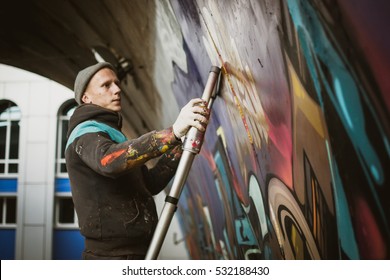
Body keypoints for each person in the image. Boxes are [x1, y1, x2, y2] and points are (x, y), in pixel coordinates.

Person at [65, 62, 209, 260]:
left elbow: (149, 184)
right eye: (106, 85)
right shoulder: (85, 134)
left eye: (116, 83)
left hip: (136, 253)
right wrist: (173, 133)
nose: (117, 89)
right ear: (86, 98)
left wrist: (181, 145)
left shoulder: (112, 135)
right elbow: (110, 162)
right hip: (109, 258)